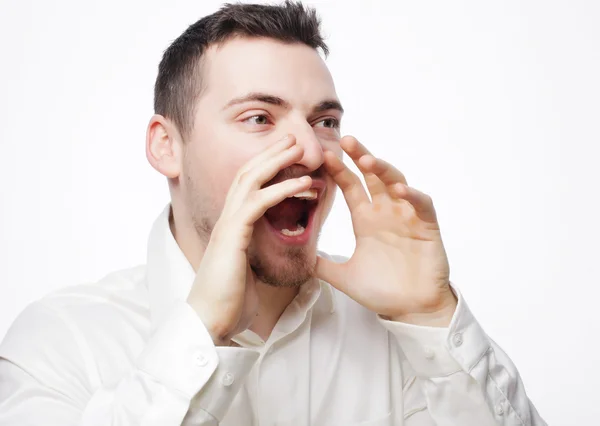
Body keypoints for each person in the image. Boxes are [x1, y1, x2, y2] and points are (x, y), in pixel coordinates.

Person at [0, 1, 546, 425]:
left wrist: (430, 317)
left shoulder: (396, 338)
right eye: (259, 118)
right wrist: (200, 332)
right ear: (167, 146)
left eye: (325, 121)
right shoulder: (60, 343)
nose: (310, 152)